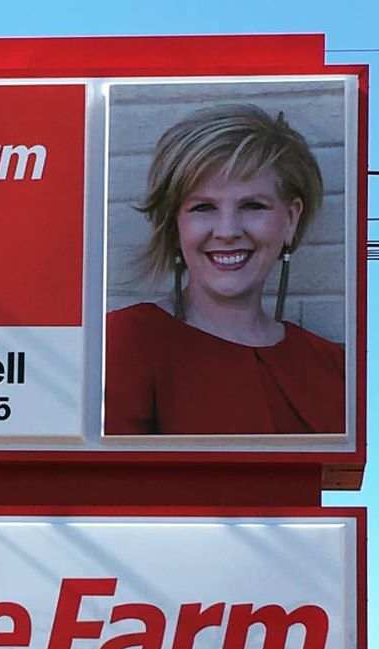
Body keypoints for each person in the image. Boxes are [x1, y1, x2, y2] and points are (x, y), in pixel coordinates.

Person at [104, 103, 345, 436]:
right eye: (203, 207)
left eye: (253, 206)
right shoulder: (123, 342)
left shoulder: (331, 364)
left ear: (291, 219)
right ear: (174, 225)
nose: (227, 231)